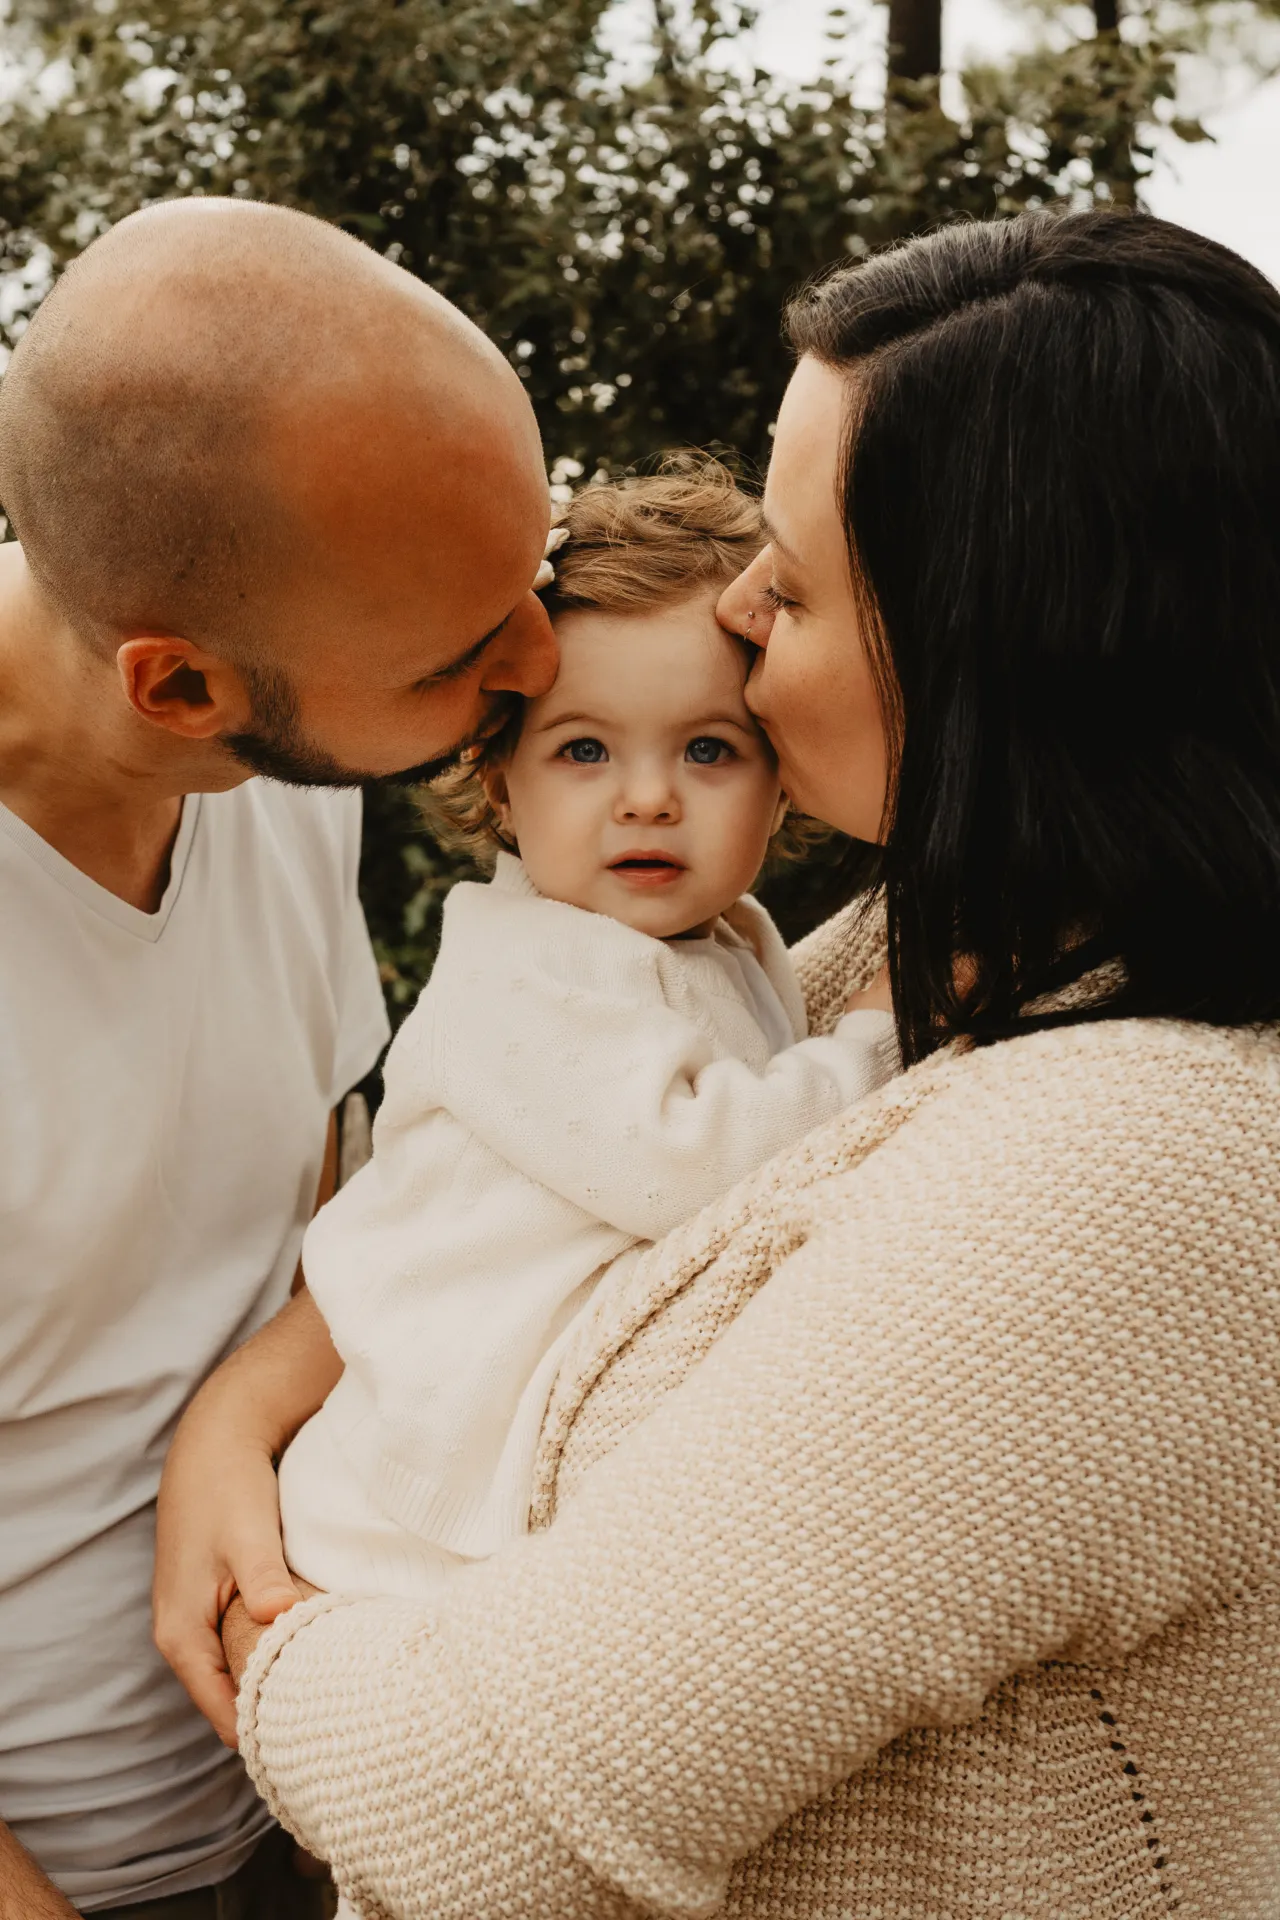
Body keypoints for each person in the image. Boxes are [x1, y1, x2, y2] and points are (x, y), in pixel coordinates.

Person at [161, 207, 1280, 1917]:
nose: (737, 613)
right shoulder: (893, 954)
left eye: (797, 580)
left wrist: (275, 1633)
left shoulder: (1124, 1188)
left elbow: (493, 1812)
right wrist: (242, 1413)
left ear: (987, 647)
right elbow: (516, 1188)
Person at [0, 195, 560, 1919]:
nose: (537, 667)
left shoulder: (264, 778)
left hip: (306, 1804)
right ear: (176, 688)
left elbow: (328, 1202)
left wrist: (234, 1423)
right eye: (462, 660)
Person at [275, 468, 899, 1639]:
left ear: (780, 788)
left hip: (536, 1458)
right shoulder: (524, 967)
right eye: (582, 753)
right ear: (496, 781)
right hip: (402, 1517)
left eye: (710, 751)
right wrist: (871, 1038)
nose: (649, 799)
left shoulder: (737, 939)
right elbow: (708, 1164)